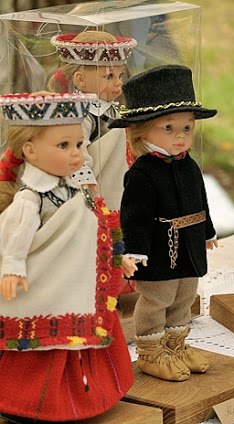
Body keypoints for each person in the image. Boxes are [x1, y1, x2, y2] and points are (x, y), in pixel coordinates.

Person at [0, 92, 135, 421]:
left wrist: (118, 259)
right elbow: (14, 240)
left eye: (79, 144)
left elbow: (94, 229)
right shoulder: (31, 199)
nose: (77, 154)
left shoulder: (73, 189)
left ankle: (83, 397)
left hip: (76, 284)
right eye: (64, 146)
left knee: (79, 341)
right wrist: (13, 269)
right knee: (43, 347)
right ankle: (30, 402)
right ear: (30, 150)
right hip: (47, 286)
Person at [109, 64, 218, 381]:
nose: (181, 136)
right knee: (157, 299)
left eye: (187, 128)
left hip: (189, 246)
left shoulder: (190, 166)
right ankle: (151, 350)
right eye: (168, 128)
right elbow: (134, 216)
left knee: (184, 296)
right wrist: (135, 250)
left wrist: (207, 231)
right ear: (141, 131)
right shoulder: (142, 172)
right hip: (159, 250)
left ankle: (175, 344)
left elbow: (201, 200)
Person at [49, 30, 137, 211]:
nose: (118, 83)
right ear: (80, 80)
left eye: (120, 76)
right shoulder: (82, 115)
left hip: (117, 178)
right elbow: (77, 150)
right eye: (109, 76)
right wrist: (84, 179)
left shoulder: (112, 111)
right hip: (99, 183)